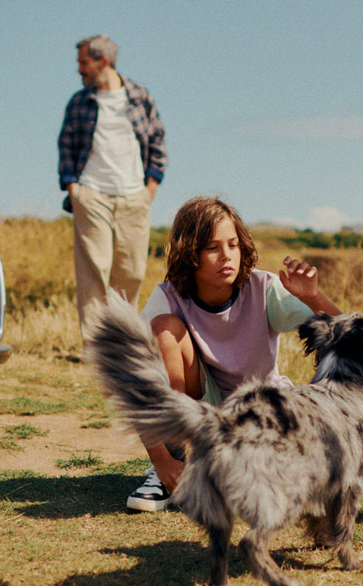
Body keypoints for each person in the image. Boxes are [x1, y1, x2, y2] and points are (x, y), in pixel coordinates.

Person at [124, 196, 341, 512]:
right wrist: (161, 463)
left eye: (233, 245)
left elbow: (344, 334)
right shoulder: (169, 297)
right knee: (164, 330)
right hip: (203, 413)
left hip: (263, 409)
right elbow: (136, 384)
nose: (226, 256)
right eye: (212, 247)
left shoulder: (263, 288)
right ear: (191, 254)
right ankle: (175, 467)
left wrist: (313, 297)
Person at [58, 34, 166, 343]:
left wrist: (151, 188)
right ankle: (94, 347)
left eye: (83, 62)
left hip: (135, 197)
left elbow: (158, 139)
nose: (79, 69)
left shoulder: (139, 96)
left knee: (130, 272)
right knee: (94, 272)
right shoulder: (79, 102)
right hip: (92, 194)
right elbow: (65, 145)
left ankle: (119, 344)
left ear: (103, 61)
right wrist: (73, 188)